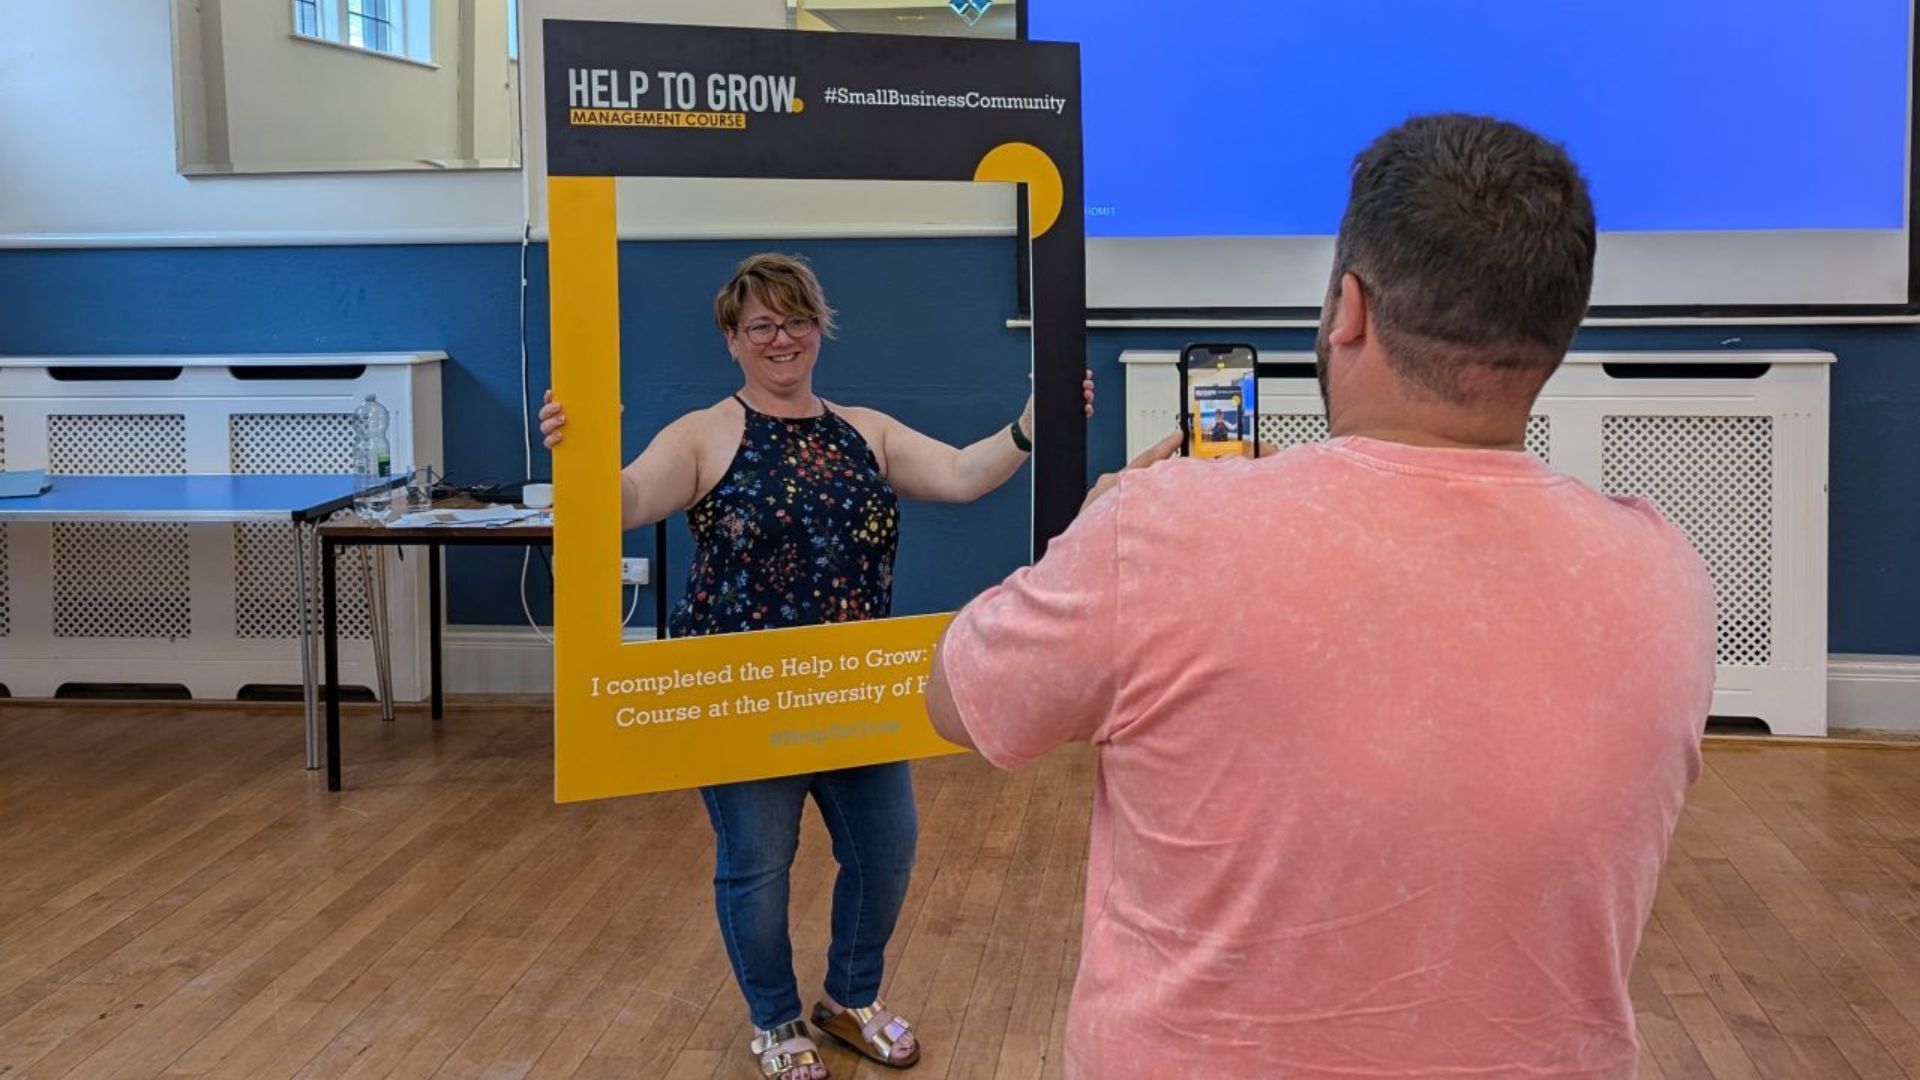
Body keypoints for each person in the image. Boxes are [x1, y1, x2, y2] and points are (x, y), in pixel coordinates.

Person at [926, 114, 1717, 1078]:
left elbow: (957, 702)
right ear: (1555, 333)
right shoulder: (1665, 571)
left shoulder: (1157, 531)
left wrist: (1101, 539)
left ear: (1349, 306)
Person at [539, 252, 1093, 1080]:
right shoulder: (700, 435)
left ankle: (847, 999)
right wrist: (576, 449)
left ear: (818, 329)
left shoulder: (863, 430)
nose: (782, 338)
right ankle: (774, 1021)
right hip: (742, 695)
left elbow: (960, 474)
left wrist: (1029, 424)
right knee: (756, 865)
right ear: (732, 339)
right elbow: (620, 505)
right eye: (761, 324)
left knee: (888, 850)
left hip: (852, 687)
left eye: (796, 320)